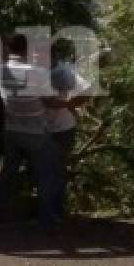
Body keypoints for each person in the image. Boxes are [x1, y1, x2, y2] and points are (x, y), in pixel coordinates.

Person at [0, 34, 61, 227]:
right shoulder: (38, 72)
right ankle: (47, 218)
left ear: (9, 49)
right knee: (48, 173)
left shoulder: (0, 70)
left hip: (12, 129)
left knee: (9, 173)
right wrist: (69, 103)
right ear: (27, 50)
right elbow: (49, 100)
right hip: (36, 131)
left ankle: (0, 212)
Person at [45, 39, 91, 215]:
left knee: (57, 167)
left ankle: (56, 208)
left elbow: (86, 90)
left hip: (63, 128)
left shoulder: (63, 72)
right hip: (45, 128)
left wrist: (68, 104)